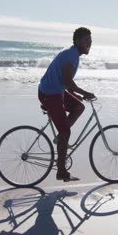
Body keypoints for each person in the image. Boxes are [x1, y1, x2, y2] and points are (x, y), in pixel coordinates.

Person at [38, 27, 96, 182]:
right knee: (66, 133)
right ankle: (61, 171)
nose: (89, 44)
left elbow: (65, 83)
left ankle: (59, 138)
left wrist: (75, 94)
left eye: (90, 41)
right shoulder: (71, 55)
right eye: (86, 41)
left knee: (79, 106)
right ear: (77, 41)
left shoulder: (73, 54)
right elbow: (67, 81)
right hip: (49, 94)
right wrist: (85, 93)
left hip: (56, 91)